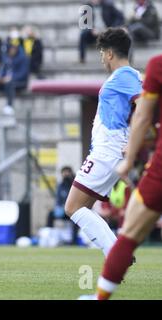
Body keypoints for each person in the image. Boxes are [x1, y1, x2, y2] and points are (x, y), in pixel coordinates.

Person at [79, 54, 162, 300]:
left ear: (108, 53)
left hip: (154, 164)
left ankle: (100, 297)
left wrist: (130, 156)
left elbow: (143, 116)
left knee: (129, 235)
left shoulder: (156, 66)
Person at [64, 27, 142, 259]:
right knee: (82, 208)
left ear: (109, 53)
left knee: (72, 207)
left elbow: (146, 106)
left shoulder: (125, 76)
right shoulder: (130, 76)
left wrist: (133, 142)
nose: (101, 59)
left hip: (108, 151)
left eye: (101, 53)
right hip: (109, 151)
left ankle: (117, 255)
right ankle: (119, 254)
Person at [0, 43, 29, 116]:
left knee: (9, 83)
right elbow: (2, 72)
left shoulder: (23, 58)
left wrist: (10, 78)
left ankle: (9, 106)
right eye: (11, 49)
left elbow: (23, 74)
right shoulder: (6, 59)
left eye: (14, 49)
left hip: (18, 82)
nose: (12, 51)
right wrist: (0, 78)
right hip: (5, 82)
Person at [46, 166, 78, 244]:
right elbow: (58, 200)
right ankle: (49, 238)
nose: (66, 174)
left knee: (76, 219)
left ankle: (73, 241)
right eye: (64, 172)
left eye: (67, 172)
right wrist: (58, 207)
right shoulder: (60, 186)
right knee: (50, 214)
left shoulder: (75, 185)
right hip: (62, 211)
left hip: (72, 210)